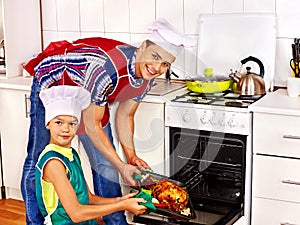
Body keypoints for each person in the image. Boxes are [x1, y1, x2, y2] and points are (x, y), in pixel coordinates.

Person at [21, 17, 195, 225]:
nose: (157, 67)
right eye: (155, 56)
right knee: (37, 158)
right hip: (51, 83)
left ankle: (116, 222)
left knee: (106, 164)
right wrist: (121, 166)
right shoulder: (106, 68)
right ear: (142, 48)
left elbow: (125, 115)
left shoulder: (146, 77)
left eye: (165, 63)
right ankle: (34, 221)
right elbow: (93, 126)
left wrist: (130, 158)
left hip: (90, 93)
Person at [36, 85, 147, 225]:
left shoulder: (71, 154)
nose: (65, 129)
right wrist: (122, 206)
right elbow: (76, 214)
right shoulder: (54, 163)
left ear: (78, 126)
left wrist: (120, 200)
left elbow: (88, 198)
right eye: (59, 122)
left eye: (72, 123)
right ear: (48, 124)